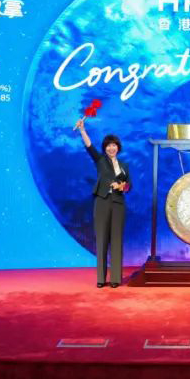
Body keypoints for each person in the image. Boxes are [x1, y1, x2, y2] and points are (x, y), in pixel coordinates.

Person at [75, 120, 130, 288]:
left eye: (114, 145)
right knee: (101, 240)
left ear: (118, 148)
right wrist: (82, 130)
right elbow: (89, 146)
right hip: (102, 202)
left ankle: (115, 279)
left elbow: (129, 185)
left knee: (116, 240)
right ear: (105, 148)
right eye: (108, 146)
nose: (111, 148)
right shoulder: (100, 160)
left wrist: (121, 186)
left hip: (118, 204)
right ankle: (101, 278)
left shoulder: (124, 166)